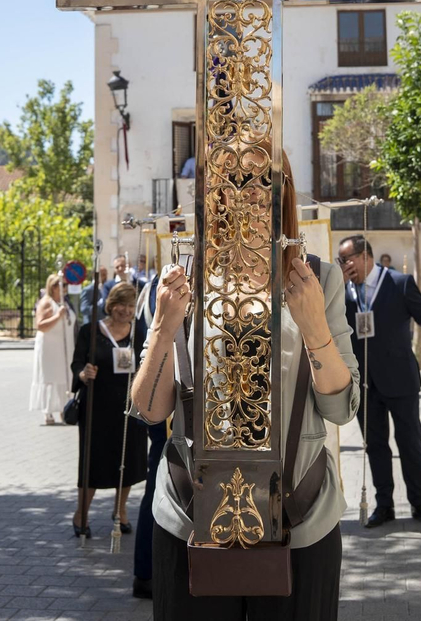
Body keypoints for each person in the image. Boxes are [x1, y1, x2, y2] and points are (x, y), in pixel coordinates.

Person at [129, 157, 359, 617]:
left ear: (284, 190)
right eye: (231, 178)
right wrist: (161, 329)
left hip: (300, 515)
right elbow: (150, 410)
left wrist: (314, 324)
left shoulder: (319, 278)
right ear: (211, 193)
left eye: (263, 178)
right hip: (191, 515)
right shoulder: (182, 281)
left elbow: (341, 408)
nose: (248, 190)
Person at [340, 233, 421, 528]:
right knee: (376, 445)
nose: (343, 265)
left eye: (347, 259)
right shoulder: (343, 292)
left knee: (410, 443)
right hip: (364, 384)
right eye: (340, 261)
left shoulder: (399, 283)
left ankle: (419, 504)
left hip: (400, 380)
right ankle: (384, 505)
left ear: (365, 255)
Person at [69, 281, 146, 538]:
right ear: (111, 305)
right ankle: (81, 513)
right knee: (91, 464)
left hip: (127, 407)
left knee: (126, 461)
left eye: (131, 305)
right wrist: (83, 372)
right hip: (96, 408)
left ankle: (120, 510)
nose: (126, 310)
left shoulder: (139, 331)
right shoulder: (91, 331)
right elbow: (77, 362)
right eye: (121, 304)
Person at [130, 270, 167, 600]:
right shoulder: (162, 282)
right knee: (159, 487)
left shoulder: (155, 281)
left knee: (157, 486)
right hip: (166, 400)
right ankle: (148, 571)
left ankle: (147, 572)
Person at [29, 273, 75, 425]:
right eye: (62, 285)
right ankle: (47, 412)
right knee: (49, 376)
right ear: (53, 287)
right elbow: (40, 325)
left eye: (66, 285)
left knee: (63, 375)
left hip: (64, 346)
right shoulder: (46, 303)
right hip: (50, 346)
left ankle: (64, 408)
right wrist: (57, 317)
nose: (65, 288)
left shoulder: (65, 302)